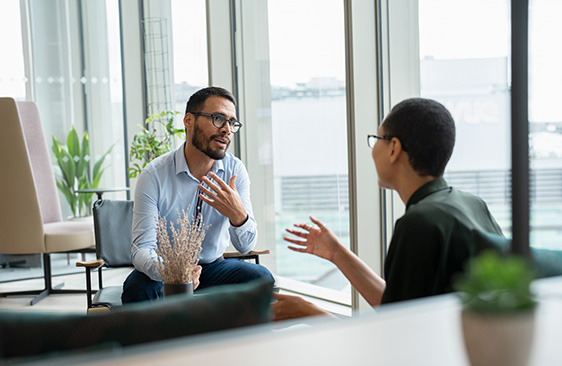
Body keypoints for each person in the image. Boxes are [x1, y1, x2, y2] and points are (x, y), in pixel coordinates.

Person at [273, 98, 503, 320]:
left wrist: (307, 312)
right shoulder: (471, 204)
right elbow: (400, 307)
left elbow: (398, 335)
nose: (373, 150)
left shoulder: (419, 222)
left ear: (394, 148)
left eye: (377, 138)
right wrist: (336, 253)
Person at [122, 86, 274, 303]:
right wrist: (175, 273)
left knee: (261, 278)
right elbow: (141, 248)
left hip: (214, 267)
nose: (227, 129)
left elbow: (245, 246)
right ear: (189, 121)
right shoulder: (153, 175)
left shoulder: (235, 171)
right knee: (137, 288)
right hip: (165, 269)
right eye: (218, 118)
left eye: (232, 122)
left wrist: (238, 216)